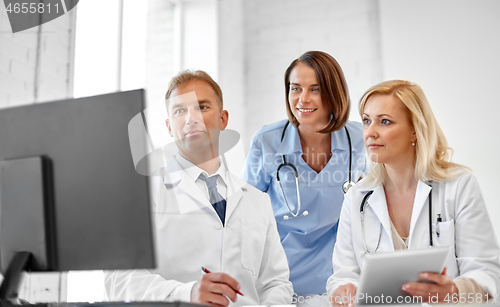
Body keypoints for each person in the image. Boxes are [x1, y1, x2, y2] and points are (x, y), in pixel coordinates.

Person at [105, 70, 293, 307]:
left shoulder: (257, 201)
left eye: (202, 107)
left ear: (223, 120)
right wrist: (186, 294)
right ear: (169, 127)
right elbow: (119, 281)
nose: (191, 119)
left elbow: (275, 283)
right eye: (180, 111)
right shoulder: (143, 196)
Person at [327, 80, 500, 305]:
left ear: (415, 131)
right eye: (367, 121)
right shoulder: (356, 197)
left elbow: (487, 273)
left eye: (385, 122)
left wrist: (455, 291)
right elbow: (342, 276)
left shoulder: (458, 185)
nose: (370, 132)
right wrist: (342, 291)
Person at [241, 51, 367, 304]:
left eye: (315, 89)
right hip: (282, 280)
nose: (302, 99)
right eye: (295, 88)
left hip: (343, 279)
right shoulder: (267, 141)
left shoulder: (361, 139)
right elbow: (244, 215)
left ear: (334, 93)